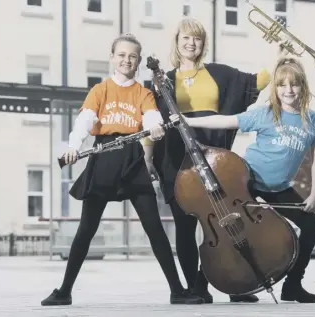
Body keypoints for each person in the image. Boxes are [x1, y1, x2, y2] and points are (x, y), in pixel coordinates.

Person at [40, 33, 203, 306]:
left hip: (132, 160)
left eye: (132, 56)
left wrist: (155, 126)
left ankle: (177, 290)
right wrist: (72, 145)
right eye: (122, 55)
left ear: (138, 61)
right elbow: (85, 120)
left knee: (154, 228)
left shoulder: (143, 93)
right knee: (86, 230)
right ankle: (64, 291)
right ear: (113, 57)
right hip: (104, 156)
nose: (127, 60)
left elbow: (151, 115)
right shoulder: (100, 90)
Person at [171, 56, 315, 304]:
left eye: (294, 85)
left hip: (279, 188)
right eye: (282, 85)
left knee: (311, 226)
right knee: (232, 228)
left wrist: (314, 194)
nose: (288, 90)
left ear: (303, 86)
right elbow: (228, 121)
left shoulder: (313, 120)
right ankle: (204, 283)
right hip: (248, 181)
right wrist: (189, 121)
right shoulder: (265, 113)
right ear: (275, 88)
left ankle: (293, 286)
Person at [144, 17, 275, 304]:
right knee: (186, 224)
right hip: (176, 157)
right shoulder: (162, 80)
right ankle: (195, 287)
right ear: (177, 42)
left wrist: (279, 52)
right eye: (186, 38)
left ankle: (233, 283)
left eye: (197, 38)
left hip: (215, 156)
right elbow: (149, 117)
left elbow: (258, 81)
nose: (191, 43)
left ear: (203, 43)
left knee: (226, 222)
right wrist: (148, 157)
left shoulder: (219, 73)